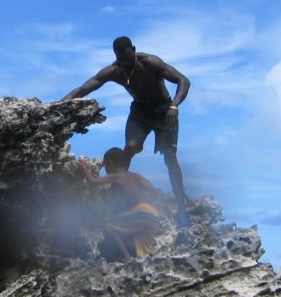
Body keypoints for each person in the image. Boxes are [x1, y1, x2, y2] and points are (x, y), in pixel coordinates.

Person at [63, 36, 191, 226]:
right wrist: (57, 105)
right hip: (140, 111)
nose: (126, 62)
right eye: (122, 59)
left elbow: (183, 80)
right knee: (131, 147)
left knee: (170, 157)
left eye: (129, 57)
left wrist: (174, 106)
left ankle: (182, 210)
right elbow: (82, 89)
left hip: (164, 110)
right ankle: (119, 197)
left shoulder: (150, 62)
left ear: (134, 49)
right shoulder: (114, 71)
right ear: (116, 56)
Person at [79, 148, 162, 259]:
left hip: (141, 212)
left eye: (105, 165)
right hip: (153, 214)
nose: (106, 169)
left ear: (110, 163)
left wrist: (84, 166)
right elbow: (152, 188)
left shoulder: (116, 176)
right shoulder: (136, 176)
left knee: (108, 226)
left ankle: (127, 257)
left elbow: (92, 181)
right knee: (136, 237)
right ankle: (137, 255)